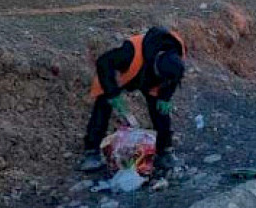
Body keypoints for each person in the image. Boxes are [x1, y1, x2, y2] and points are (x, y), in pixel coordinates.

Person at [79, 26, 186, 172]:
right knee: (103, 103)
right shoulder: (130, 52)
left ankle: (164, 151)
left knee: (161, 111)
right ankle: (91, 152)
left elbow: (173, 79)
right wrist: (112, 92)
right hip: (126, 76)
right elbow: (103, 62)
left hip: (153, 80)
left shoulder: (176, 52)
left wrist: (165, 96)